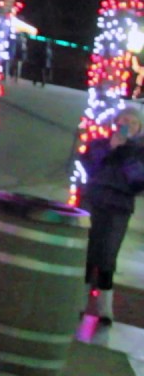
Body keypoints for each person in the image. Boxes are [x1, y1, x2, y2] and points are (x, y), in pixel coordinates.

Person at [80, 106, 144, 325]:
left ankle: (105, 309)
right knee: (87, 253)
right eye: (123, 121)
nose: (126, 126)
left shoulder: (140, 152)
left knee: (107, 255)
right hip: (93, 202)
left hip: (118, 208)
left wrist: (126, 156)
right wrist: (110, 149)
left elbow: (138, 183)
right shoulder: (99, 144)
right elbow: (90, 167)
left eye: (132, 123)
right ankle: (80, 303)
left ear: (138, 129)